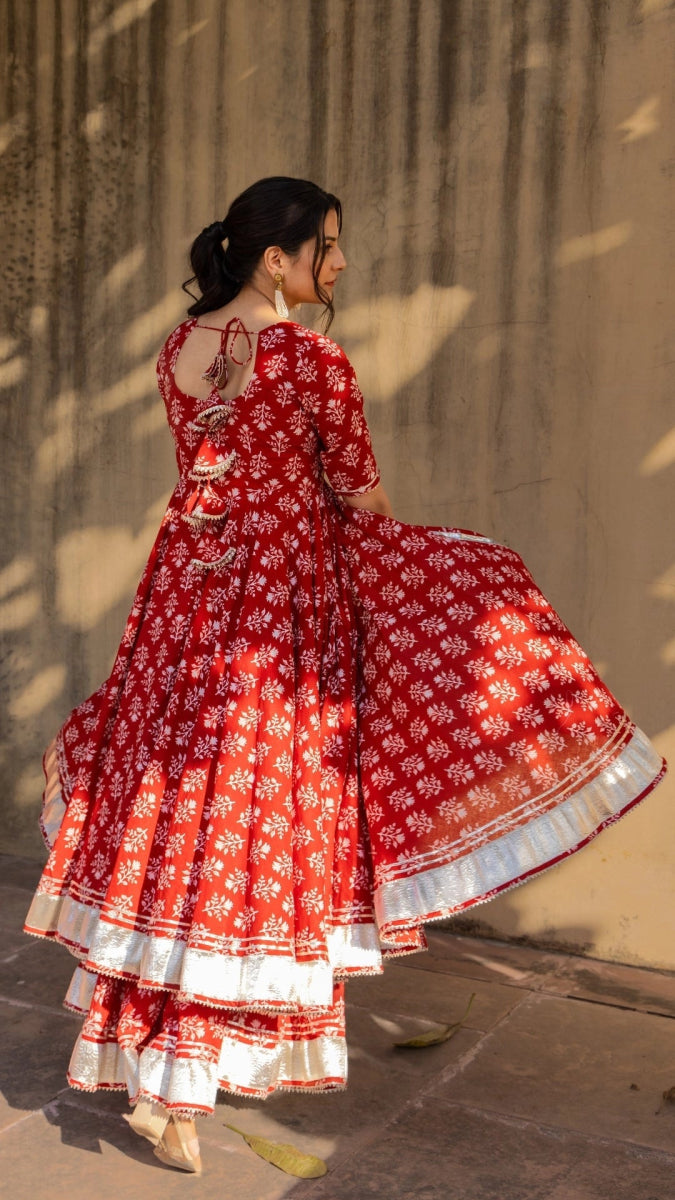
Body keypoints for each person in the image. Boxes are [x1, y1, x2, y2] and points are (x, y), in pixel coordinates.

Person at [25, 176, 666, 1174]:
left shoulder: (179, 348)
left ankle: (155, 1065)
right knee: (251, 826)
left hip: (184, 604)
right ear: (276, 259)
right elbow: (361, 495)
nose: (341, 262)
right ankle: (179, 1082)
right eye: (327, 245)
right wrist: (426, 574)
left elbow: (214, 471)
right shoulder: (310, 358)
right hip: (277, 618)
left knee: (178, 817)